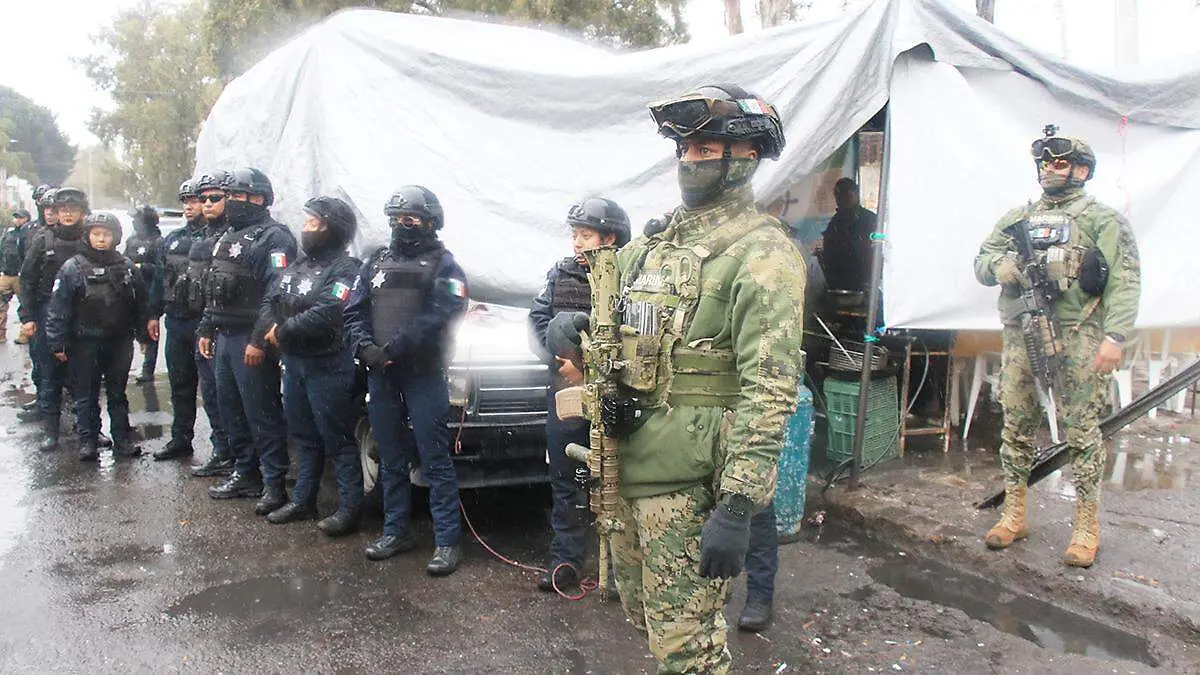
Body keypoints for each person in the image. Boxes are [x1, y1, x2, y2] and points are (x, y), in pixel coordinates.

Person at [549, 84, 806, 673]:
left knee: (688, 650)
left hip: (689, 488)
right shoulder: (654, 247)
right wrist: (583, 326)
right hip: (630, 470)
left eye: (706, 148)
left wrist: (739, 505)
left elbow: (768, 390)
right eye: (685, 150)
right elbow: (633, 337)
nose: (691, 162)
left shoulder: (761, 253)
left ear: (745, 156)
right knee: (648, 625)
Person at [974, 126, 1140, 569]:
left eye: (1060, 162)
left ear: (1082, 170)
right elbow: (982, 261)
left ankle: (1086, 525)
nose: (1050, 169)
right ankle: (1014, 512)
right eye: (1045, 162)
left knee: (1082, 431)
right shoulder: (1018, 219)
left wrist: (1115, 335)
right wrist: (1001, 265)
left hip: (1079, 335)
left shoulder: (1102, 220)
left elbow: (1125, 280)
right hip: (1022, 334)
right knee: (1016, 425)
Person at [345, 185, 468, 576]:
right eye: (396, 219)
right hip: (381, 374)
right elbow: (354, 309)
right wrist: (364, 346)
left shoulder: (444, 265)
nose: (402, 225)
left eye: (411, 219)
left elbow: (443, 313)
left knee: (434, 458)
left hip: (422, 374)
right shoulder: (376, 262)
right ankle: (396, 530)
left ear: (431, 222)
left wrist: (396, 346)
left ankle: (448, 541)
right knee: (391, 456)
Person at [528, 197, 631, 593]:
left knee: (621, 478)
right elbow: (538, 321)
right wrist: (562, 365)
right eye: (574, 235)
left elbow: (637, 336)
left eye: (584, 235)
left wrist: (590, 368)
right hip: (567, 390)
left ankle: (623, 567)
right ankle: (566, 560)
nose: (576, 243)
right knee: (567, 476)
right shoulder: (561, 273)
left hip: (614, 393)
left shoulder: (631, 277)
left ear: (609, 237)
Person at [260, 196, 364, 535]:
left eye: (315, 223)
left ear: (334, 229)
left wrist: (285, 329)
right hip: (296, 362)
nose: (307, 228)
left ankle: (350, 508)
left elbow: (329, 310)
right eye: (307, 222)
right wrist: (273, 327)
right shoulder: (299, 265)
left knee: (337, 438)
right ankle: (304, 500)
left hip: (328, 365)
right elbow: (276, 297)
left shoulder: (346, 269)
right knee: (304, 435)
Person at [197, 168, 296, 514]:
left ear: (258, 199)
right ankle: (245, 472)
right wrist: (207, 328)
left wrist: (258, 339)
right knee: (231, 409)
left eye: (237, 196)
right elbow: (214, 285)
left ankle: (273, 483)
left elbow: (277, 291)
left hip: (250, 338)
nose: (231, 203)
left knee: (261, 412)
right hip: (224, 336)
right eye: (231, 197)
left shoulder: (274, 237)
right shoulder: (226, 236)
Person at [44, 212, 148, 461]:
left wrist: (143, 333)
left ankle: (122, 440)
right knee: (86, 394)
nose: (101, 239)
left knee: (117, 393)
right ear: (88, 236)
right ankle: (87, 440)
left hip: (119, 342)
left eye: (106, 234)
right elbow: (59, 308)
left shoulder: (127, 268)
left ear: (115, 237)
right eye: (96, 234)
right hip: (85, 342)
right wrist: (57, 341)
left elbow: (141, 304)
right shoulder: (72, 268)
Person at [19, 187, 91, 451]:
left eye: (73, 209)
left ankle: (88, 431)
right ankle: (51, 432)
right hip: (47, 315)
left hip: (83, 318)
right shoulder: (43, 240)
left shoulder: (90, 238)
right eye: (63, 209)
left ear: (83, 211)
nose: (68, 214)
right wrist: (27, 316)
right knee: (50, 378)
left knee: (84, 379)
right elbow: (26, 280)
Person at [183, 172, 235, 476]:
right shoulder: (202, 236)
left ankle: (236, 456)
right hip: (201, 322)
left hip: (223, 326)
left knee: (227, 396)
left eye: (215, 198)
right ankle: (222, 450)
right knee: (212, 395)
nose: (207, 204)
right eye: (204, 199)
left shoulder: (233, 236)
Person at [125, 204, 165, 383]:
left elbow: (161, 269)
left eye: (137, 218)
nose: (134, 221)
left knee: (150, 330)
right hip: (131, 291)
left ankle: (148, 369)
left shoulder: (157, 241)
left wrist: (142, 267)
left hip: (149, 291)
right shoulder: (132, 240)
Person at [817, 177, 876, 292]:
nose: (840, 198)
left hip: (864, 281)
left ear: (855, 193)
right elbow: (829, 247)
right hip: (838, 283)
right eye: (837, 195)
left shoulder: (870, 219)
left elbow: (876, 247)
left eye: (845, 193)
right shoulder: (835, 221)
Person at [0, 209, 31, 343]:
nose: (17, 220)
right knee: (1, 305)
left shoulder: (30, 234)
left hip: (22, 276)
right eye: (16, 217)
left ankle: (25, 335)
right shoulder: (8, 234)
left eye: (20, 217)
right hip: (7, 274)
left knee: (25, 305)